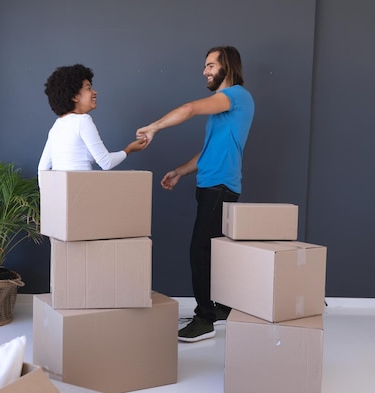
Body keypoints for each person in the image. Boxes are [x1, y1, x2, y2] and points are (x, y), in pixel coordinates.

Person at [136, 46, 255, 342]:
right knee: (215, 251)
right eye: (205, 66)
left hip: (220, 186)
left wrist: (154, 127)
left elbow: (189, 109)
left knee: (199, 250)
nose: (205, 71)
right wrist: (179, 171)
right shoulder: (225, 107)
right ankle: (221, 308)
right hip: (211, 184)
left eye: (211, 65)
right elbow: (208, 152)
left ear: (227, 66)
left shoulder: (237, 96)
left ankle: (204, 319)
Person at [38, 64, 147, 173]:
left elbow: (42, 169)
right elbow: (106, 162)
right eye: (88, 88)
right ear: (74, 96)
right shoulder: (82, 120)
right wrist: (129, 149)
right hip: (82, 188)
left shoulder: (57, 126)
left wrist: (47, 190)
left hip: (61, 189)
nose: (95, 92)